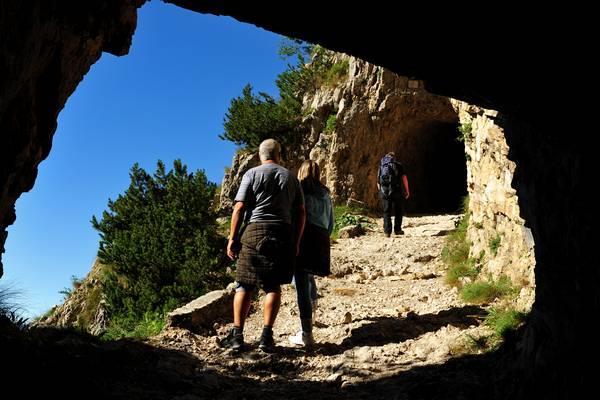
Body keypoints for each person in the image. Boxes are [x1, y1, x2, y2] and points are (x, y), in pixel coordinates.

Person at [221, 139, 306, 352]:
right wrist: (296, 241)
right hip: (283, 232)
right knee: (272, 285)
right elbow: (301, 212)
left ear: (260, 155)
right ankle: (266, 337)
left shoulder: (252, 174)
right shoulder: (291, 177)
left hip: (254, 230)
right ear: (279, 154)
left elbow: (239, 208)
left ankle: (237, 336)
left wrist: (232, 238)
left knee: (244, 284)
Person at [289, 160, 333, 348]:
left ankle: (306, 334)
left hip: (304, 237)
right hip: (321, 238)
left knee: (300, 286)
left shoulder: (299, 190)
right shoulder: (325, 193)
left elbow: (295, 215)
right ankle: (312, 313)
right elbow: (330, 222)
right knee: (309, 275)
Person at [377, 152, 410, 237]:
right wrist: (407, 190)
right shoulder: (398, 165)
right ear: (394, 158)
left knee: (386, 211)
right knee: (398, 210)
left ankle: (387, 231)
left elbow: (378, 181)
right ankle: (397, 230)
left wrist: (381, 191)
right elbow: (404, 178)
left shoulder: (382, 166)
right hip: (397, 190)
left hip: (385, 190)